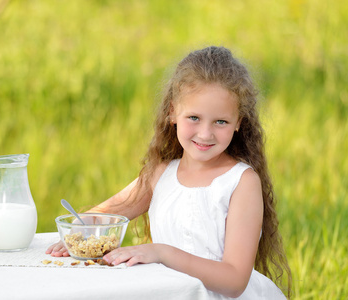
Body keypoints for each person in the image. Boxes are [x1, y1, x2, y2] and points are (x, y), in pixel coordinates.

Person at [46, 46, 292, 299]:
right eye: (194, 117)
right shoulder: (161, 174)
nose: (205, 133)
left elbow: (234, 281)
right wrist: (78, 232)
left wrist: (161, 253)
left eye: (221, 122)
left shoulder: (240, 182)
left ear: (239, 121)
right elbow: (108, 214)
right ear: (172, 112)